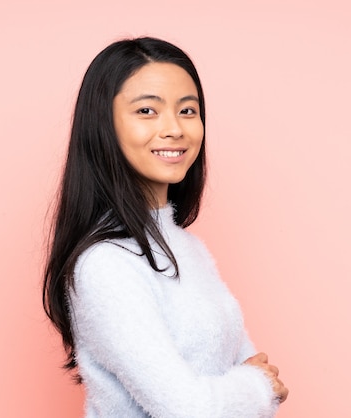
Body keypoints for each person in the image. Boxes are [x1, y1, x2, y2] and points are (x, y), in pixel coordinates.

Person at [43, 36, 288, 418]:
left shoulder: (189, 248)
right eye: (147, 111)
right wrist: (256, 388)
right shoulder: (105, 264)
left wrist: (250, 387)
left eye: (188, 111)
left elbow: (246, 367)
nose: (174, 129)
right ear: (103, 125)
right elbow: (192, 408)